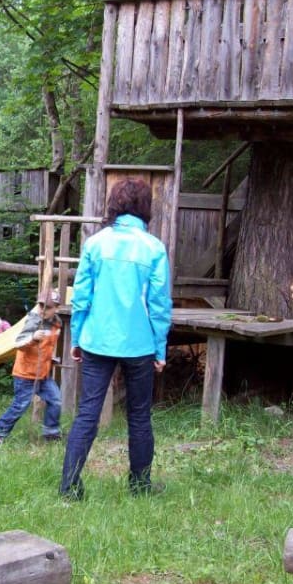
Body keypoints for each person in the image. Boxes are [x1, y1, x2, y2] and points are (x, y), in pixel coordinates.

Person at [59, 178, 172, 500]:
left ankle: (69, 487)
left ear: (114, 205)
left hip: (97, 340)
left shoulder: (96, 244)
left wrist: (78, 337)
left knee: (87, 413)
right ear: (144, 208)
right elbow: (160, 304)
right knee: (139, 415)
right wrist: (160, 347)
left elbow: (82, 296)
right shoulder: (153, 247)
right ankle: (140, 485)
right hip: (140, 345)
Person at [0, 290, 62, 444]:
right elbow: (18, 344)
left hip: (43, 374)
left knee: (55, 400)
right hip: (25, 374)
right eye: (41, 305)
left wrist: (51, 359)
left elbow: (46, 348)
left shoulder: (57, 323)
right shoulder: (33, 321)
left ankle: (51, 432)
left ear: (57, 308)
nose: (43, 310)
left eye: (48, 307)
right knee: (21, 405)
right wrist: (32, 337)